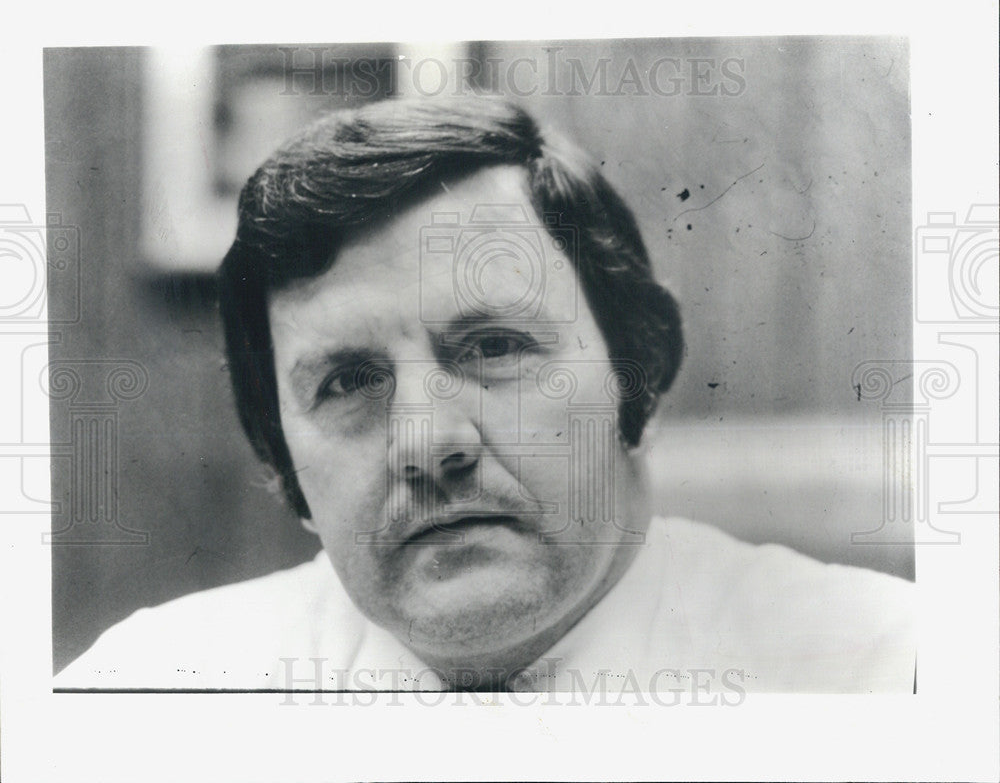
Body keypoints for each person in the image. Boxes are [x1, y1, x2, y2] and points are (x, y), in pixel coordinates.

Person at [56, 96, 913, 693]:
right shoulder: (153, 694)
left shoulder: (882, 669)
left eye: (496, 347)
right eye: (349, 381)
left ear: (634, 385)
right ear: (284, 467)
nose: (428, 442)